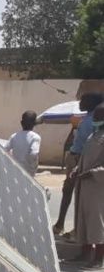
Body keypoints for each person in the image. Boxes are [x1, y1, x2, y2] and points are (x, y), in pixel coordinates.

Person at [53, 92, 104, 236]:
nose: (80, 103)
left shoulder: (94, 119)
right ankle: (61, 224)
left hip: (82, 159)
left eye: (83, 100)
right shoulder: (86, 118)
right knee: (68, 190)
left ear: (92, 103)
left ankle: (77, 229)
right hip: (75, 157)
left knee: (80, 195)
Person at [69, 105, 104, 269]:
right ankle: (85, 252)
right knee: (82, 218)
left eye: (98, 116)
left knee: (97, 222)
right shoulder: (93, 135)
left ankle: (98, 258)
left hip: (97, 187)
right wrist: (77, 169)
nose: (95, 119)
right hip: (84, 184)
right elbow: (84, 156)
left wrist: (92, 173)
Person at [5, 111, 41, 175]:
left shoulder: (14, 136)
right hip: (28, 172)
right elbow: (33, 154)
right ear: (35, 123)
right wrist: (33, 167)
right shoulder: (35, 137)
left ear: (21, 123)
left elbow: (4, 149)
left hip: (15, 169)